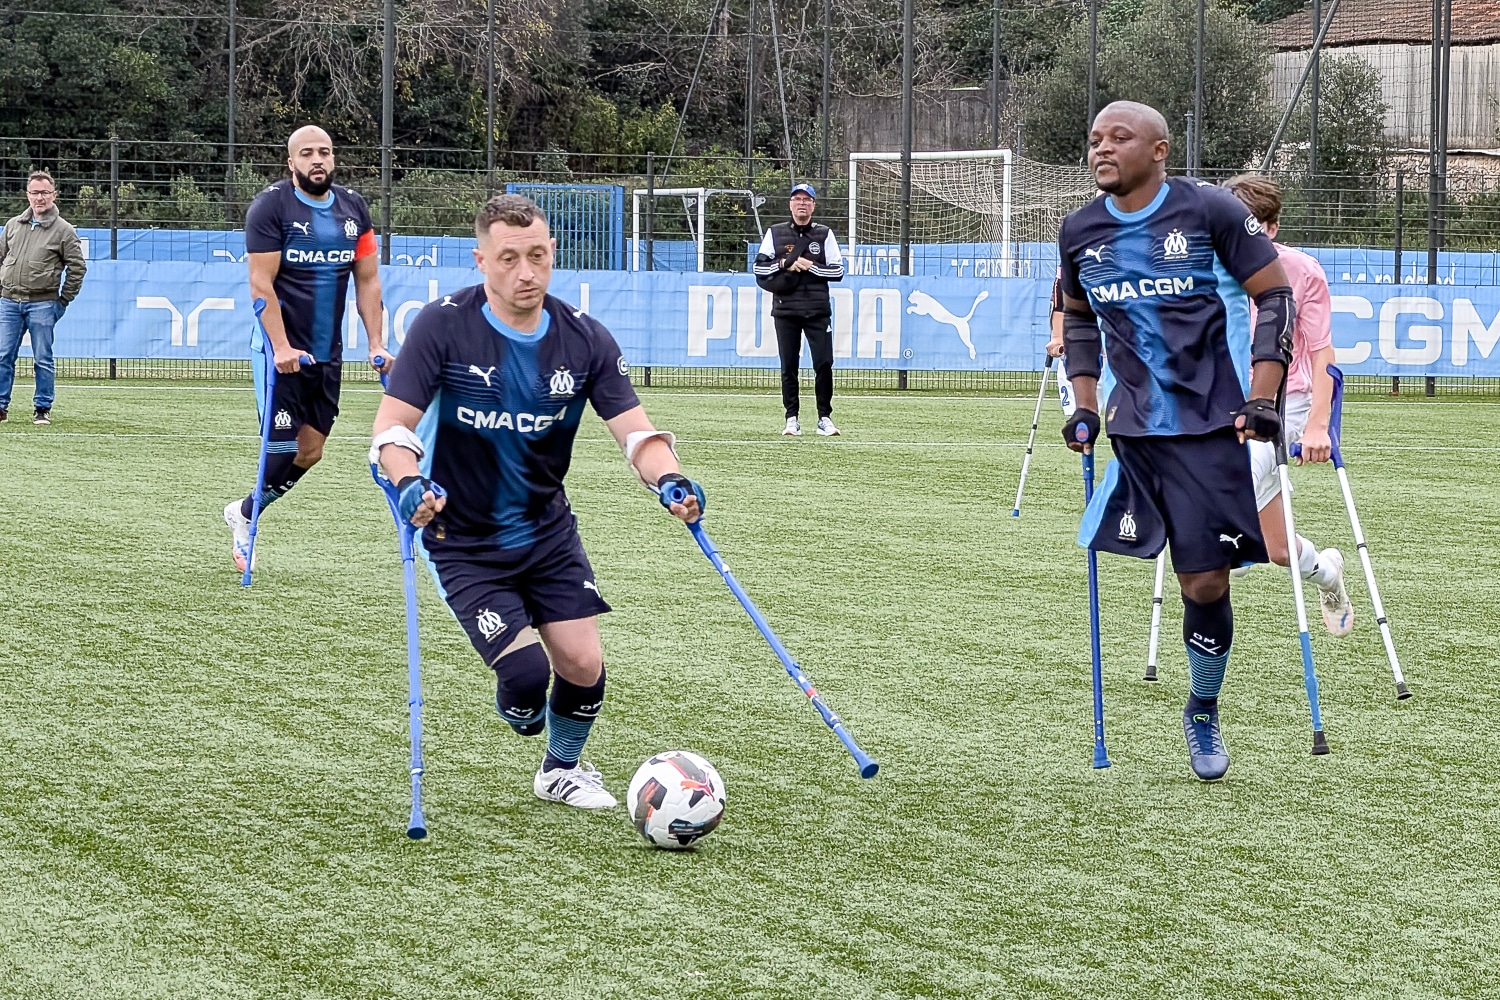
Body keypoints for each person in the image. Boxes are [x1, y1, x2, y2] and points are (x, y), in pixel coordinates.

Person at [370, 194, 704, 810]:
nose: (526, 272)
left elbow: (636, 434)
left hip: (547, 532)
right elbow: (392, 430)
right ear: (481, 261)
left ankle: (560, 770)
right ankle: (525, 712)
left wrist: (671, 481)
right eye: (509, 258)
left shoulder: (584, 339)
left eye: (538, 256)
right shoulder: (441, 326)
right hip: (462, 537)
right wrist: (407, 481)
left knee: (581, 664)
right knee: (525, 683)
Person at [1057, 101, 1296, 782]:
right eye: (1095, 138)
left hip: (1209, 429)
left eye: (1119, 138)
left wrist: (1263, 394)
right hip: (1132, 431)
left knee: (1203, 580)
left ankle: (1201, 706)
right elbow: (1078, 322)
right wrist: (1082, 405)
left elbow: (1275, 297)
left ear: (1159, 150)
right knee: (1159, 562)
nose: (1102, 148)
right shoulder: (1079, 230)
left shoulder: (1211, 211)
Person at [222, 125, 390, 572]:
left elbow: (368, 280)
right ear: (291, 162)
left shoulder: (354, 209)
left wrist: (376, 343)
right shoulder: (271, 207)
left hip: (326, 356)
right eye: (308, 153)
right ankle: (246, 526)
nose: (318, 160)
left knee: (310, 452)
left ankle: (242, 510)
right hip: (278, 356)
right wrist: (280, 346)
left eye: (325, 152)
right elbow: (260, 284)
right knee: (278, 450)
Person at [1222, 173, 1354, 637]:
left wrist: (1319, 424)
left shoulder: (1303, 272)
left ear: (1271, 229)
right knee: (1278, 551)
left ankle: (1224, 541)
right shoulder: (1205, 268)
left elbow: (1322, 353)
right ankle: (1330, 573)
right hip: (1223, 404)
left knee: (1232, 476)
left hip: (1286, 402)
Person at [753, 182, 845, 437]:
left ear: (813, 205)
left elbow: (838, 271)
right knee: (788, 365)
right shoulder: (775, 232)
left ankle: (824, 418)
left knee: (824, 363)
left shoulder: (825, 234)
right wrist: (785, 263)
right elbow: (759, 268)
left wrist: (809, 266)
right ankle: (791, 418)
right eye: (797, 199)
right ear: (790, 204)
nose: (802, 203)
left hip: (817, 309)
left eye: (807, 199)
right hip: (786, 309)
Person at [0, 170, 87, 425]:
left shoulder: (64, 230)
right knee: (3, 355)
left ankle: (42, 408)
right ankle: (1, 406)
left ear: (54, 195)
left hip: (43, 303)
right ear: (27, 195)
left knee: (42, 358)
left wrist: (63, 300)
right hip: (8, 302)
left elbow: (77, 267)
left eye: (45, 193)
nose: (40, 198)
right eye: (35, 192)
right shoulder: (13, 225)